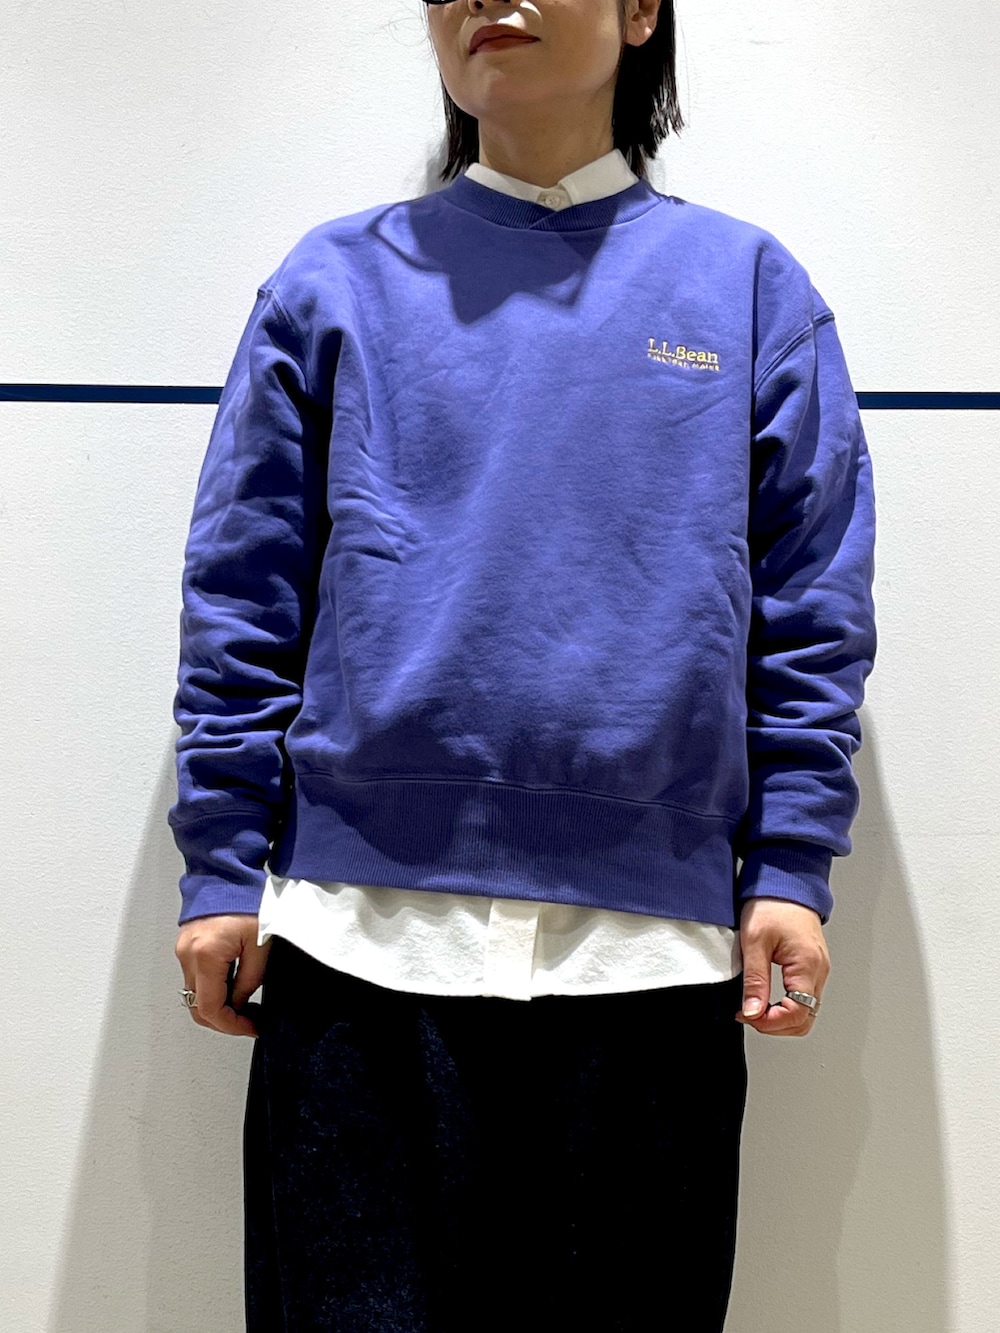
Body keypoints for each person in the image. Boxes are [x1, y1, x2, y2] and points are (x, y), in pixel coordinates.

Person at [170, 1, 877, 1329]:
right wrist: (221, 863)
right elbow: (242, 592)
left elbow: (811, 610)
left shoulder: (748, 289)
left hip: (652, 967)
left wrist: (791, 865)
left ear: (642, 10)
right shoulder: (332, 283)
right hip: (357, 953)